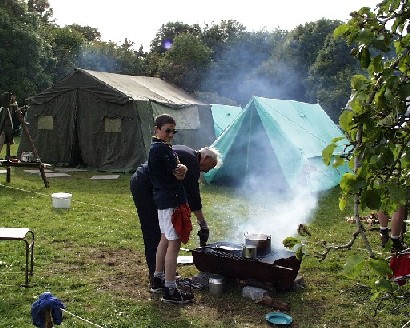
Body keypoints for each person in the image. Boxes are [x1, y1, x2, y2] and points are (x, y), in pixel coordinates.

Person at [130, 144, 221, 292]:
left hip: (152, 186)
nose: (207, 171)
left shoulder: (186, 152)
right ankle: (157, 277)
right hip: (145, 186)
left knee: (162, 233)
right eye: (210, 167)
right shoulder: (191, 161)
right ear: (206, 157)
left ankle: (161, 274)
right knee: (153, 231)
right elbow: (193, 195)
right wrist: (203, 223)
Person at [146, 114, 192, 304]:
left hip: (162, 200)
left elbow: (177, 170)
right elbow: (178, 173)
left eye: (174, 131)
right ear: (157, 129)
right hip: (171, 201)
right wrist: (182, 169)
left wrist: (180, 168)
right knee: (174, 244)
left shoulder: (157, 148)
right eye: (167, 131)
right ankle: (170, 289)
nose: (171, 134)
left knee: (165, 239)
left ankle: (158, 279)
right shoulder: (162, 149)